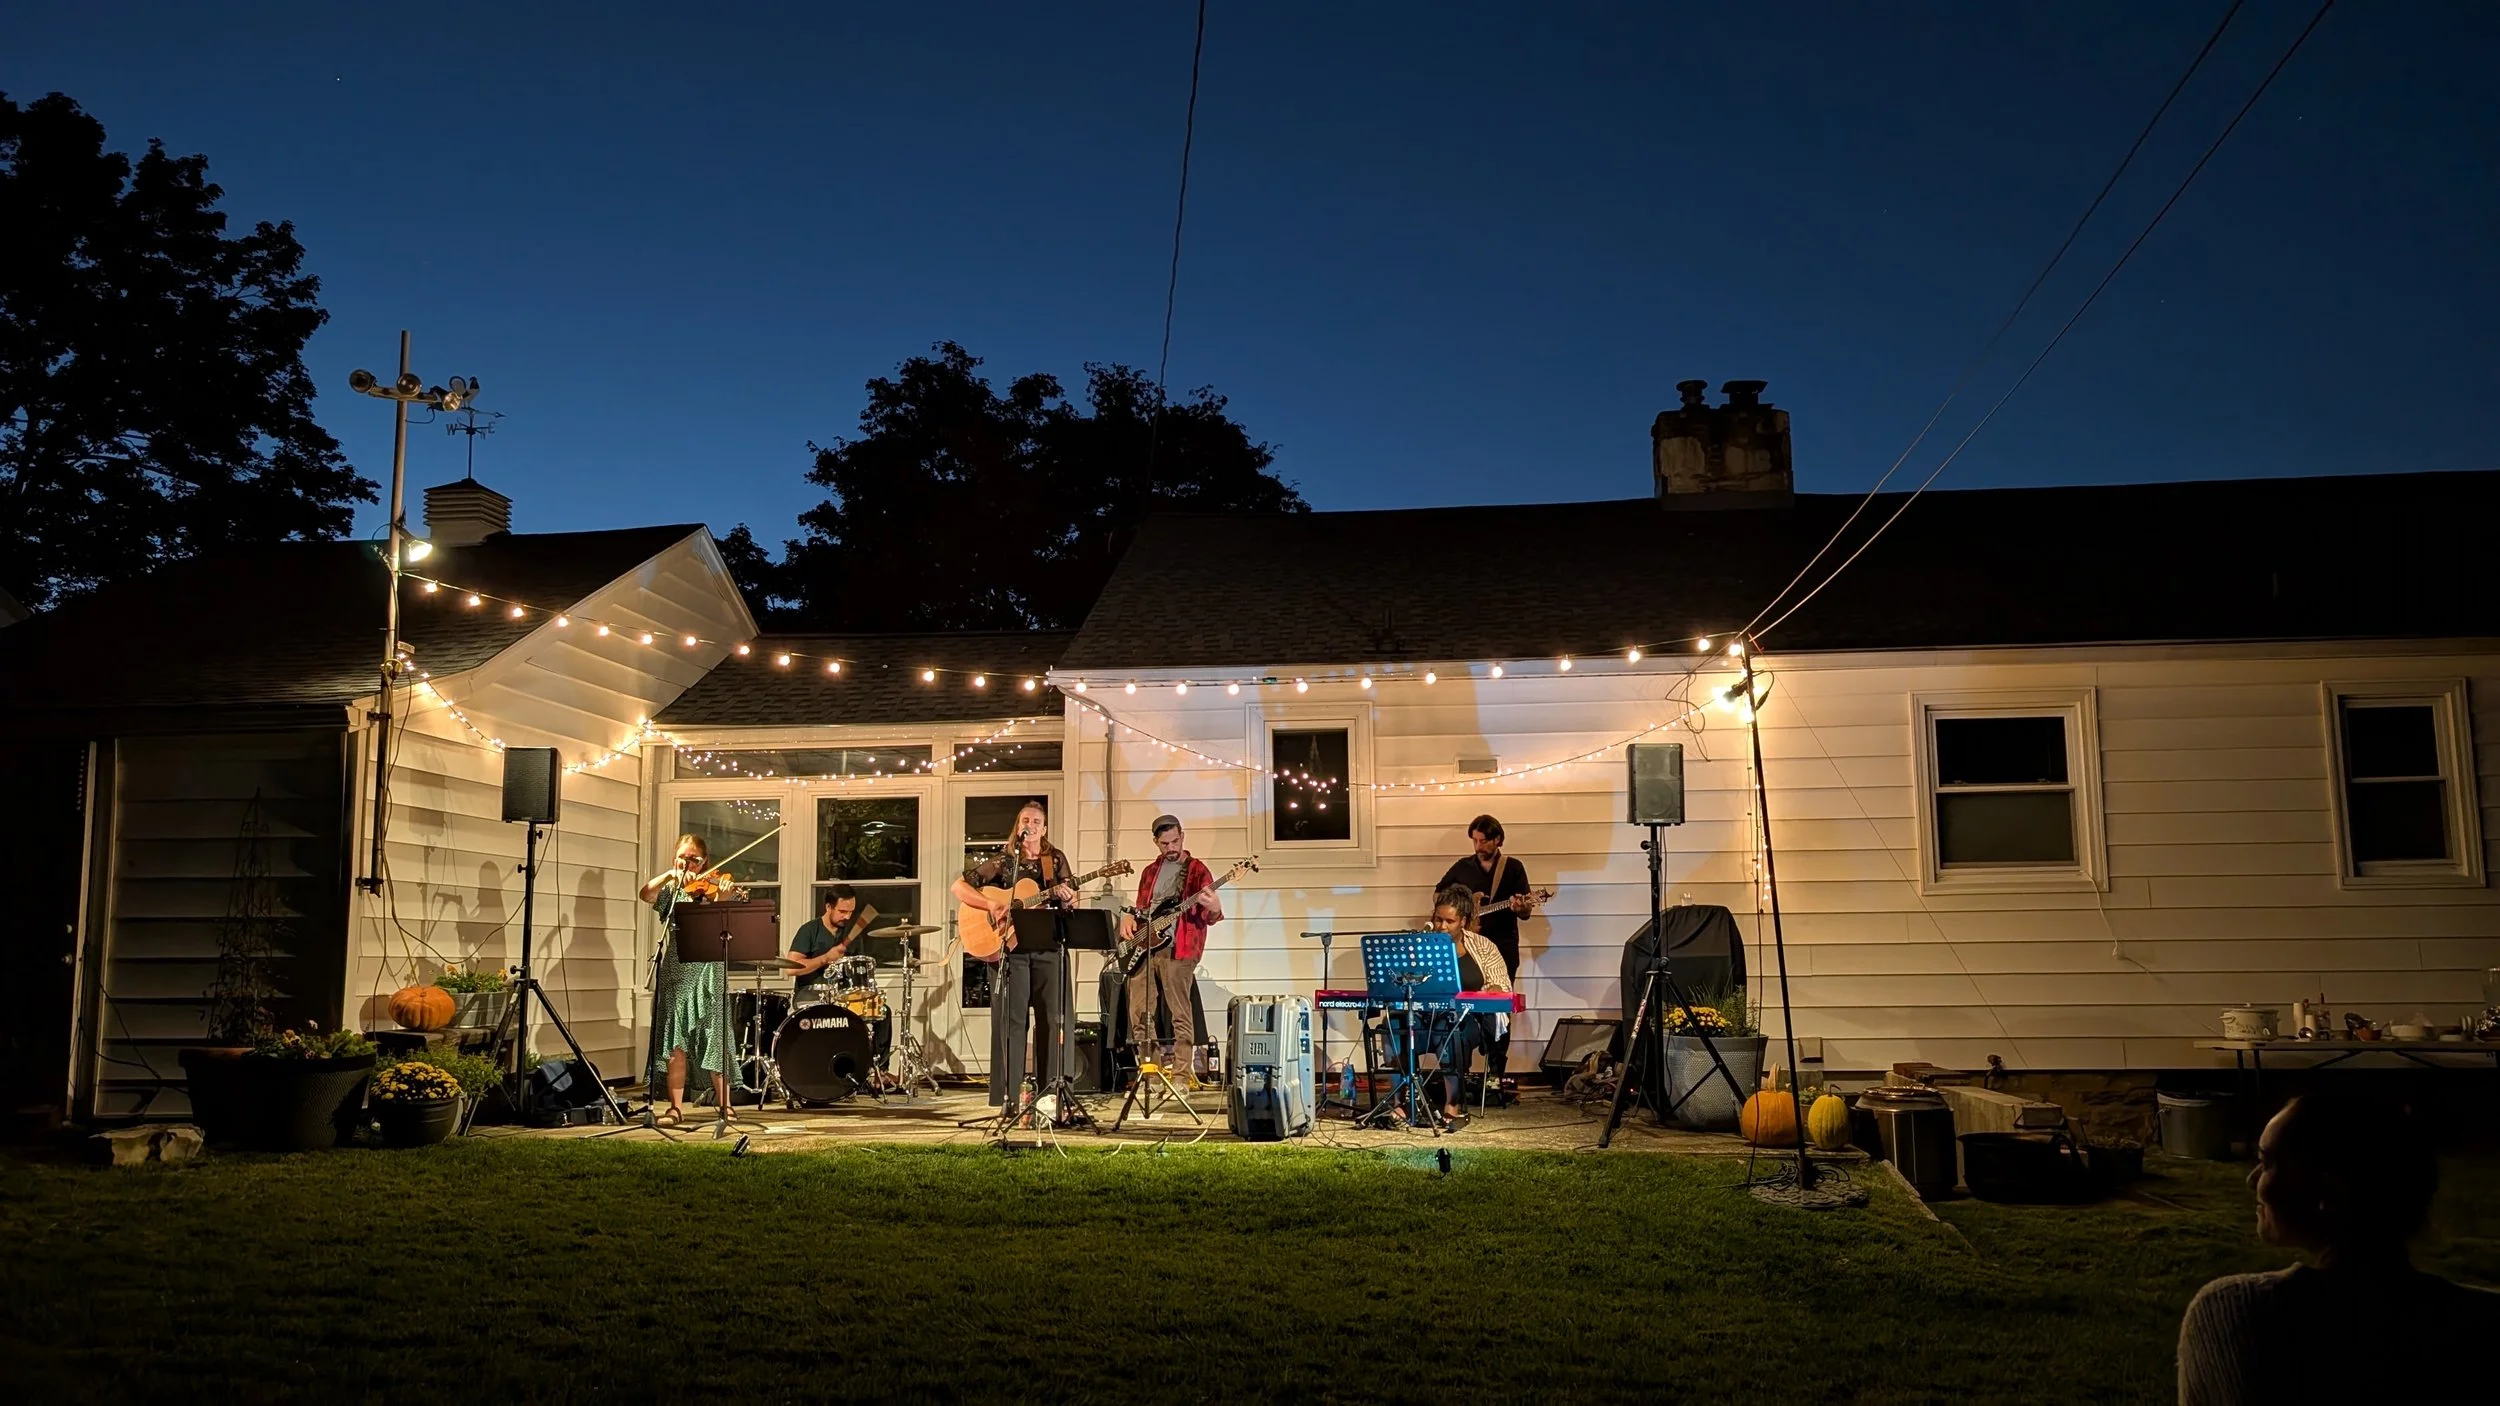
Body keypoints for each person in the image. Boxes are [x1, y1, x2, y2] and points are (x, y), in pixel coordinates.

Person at [2176, 1092, 2498, 1402]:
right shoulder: (2480, 1319)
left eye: (2269, 1163)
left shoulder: (2236, 1314)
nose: (2252, 1179)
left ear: (2328, 1190)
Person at [949, 800, 1079, 1109]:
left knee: (1053, 1020)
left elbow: (1071, 902)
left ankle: (1051, 1096)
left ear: (1044, 829)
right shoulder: (1005, 861)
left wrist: (1068, 898)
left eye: (1036, 821)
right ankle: (1008, 1097)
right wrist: (991, 905)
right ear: (1018, 827)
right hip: (1011, 948)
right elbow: (959, 887)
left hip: (1048, 947)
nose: (1029, 825)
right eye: (1025, 820)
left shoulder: (1055, 859)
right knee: (1012, 1022)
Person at [637, 833, 736, 1125]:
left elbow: (726, 928)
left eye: (695, 859)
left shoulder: (714, 891)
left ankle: (726, 1105)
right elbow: (646, 894)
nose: (688, 863)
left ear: (704, 862)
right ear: (675, 858)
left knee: (715, 1037)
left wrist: (723, 898)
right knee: (675, 1041)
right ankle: (675, 1108)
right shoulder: (672, 891)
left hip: (710, 971)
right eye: (683, 857)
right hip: (677, 970)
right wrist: (671, 875)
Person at [1118, 815, 1224, 1085]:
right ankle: (1151, 1077)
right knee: (1140, 1013)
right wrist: (1128, 918)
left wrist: (1215, 909)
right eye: (1165, 843)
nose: (1171, 848)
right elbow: (1142, 911)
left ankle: (1180, 1078)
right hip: (1146, 947)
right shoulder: (1149, 872)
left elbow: (1208, 915)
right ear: (1156, 842)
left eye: (1175, 841)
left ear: (1182, 836)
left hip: (1180, 949)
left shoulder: (1197, 870)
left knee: (1180, 1014)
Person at [1436, 815, 1539, 1078]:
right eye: (1475, 841)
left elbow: (1525, 912)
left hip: (1501, 947)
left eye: (1483, 841)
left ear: (1498, 840)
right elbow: (1439, 895)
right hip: (1465, 948)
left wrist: (1520, 906)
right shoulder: (1463, 867)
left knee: (1499, 1006)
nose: (1478, 846)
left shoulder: (1512, 868)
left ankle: (1495, 1072)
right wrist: (1465, 906)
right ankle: (1459, 1065)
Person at [1423, 886, 1511, 1126]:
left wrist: (1491, 990)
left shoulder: (1484, 947)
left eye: (1449, 921)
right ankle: (1399, 1103)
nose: (1442, 926)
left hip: (1469, 1018)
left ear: (1463, 921)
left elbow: (1502, 986)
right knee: (1393, 1024)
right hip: (1426, 1015)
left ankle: (1452, 1104)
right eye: (1438, 919)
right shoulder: (1423, 945)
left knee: (1449, 1028)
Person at [785, 885, 893, 1079]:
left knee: (882, 1011)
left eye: (851, 912)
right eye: (842, 911)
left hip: (843, 997)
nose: (847, 916)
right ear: (828, 907)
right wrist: (825, 958)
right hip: (811, 994)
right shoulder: (809, 930)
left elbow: (859, 972)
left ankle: (877, 1071)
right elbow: (792, 968)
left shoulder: (852, 934)